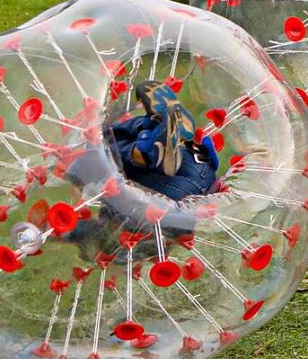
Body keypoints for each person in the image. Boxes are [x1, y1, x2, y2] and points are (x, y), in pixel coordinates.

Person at [61, 80, 221, 261]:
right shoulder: (136, 232)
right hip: (194, 165)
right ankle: (150, 127)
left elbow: (122, 199)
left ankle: (145, 146)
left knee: (114, 170)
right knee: (115, 149)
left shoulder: (126, 238)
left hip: (193, 182)